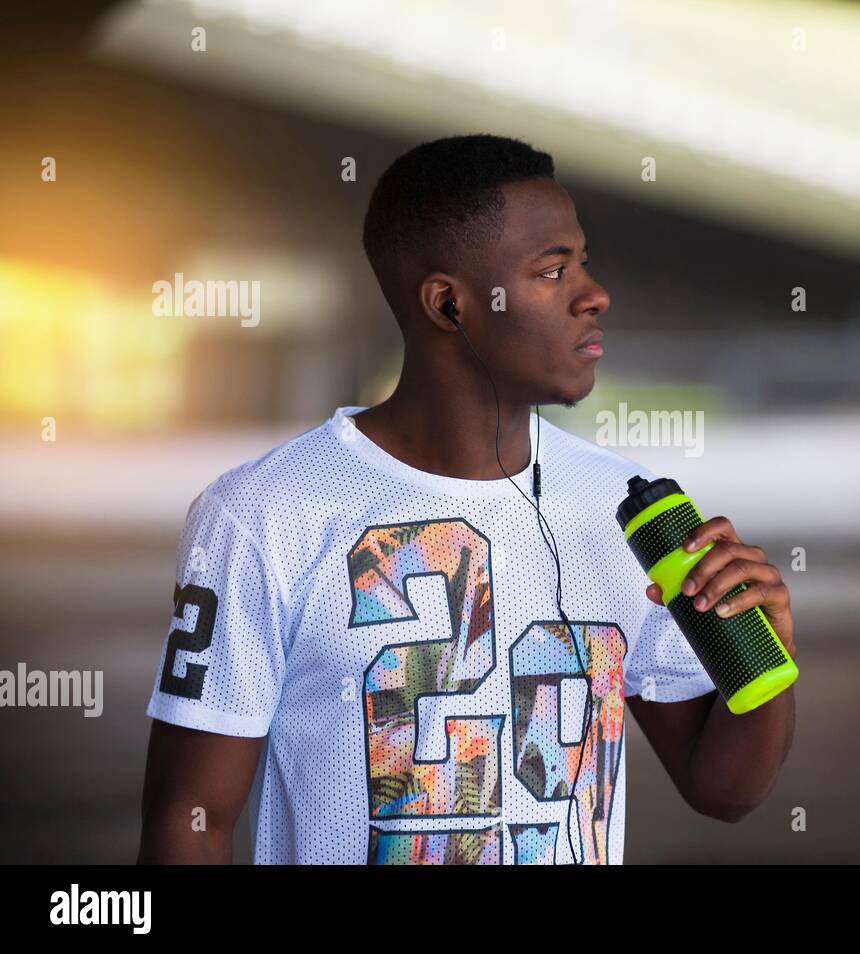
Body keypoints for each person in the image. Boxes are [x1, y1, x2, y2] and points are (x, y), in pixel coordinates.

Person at [137, 133, 796, 864]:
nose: (594, 294)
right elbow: (188, 821)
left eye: (584, 261)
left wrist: (764, 659)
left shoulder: (626, 509)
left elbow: (723, 789)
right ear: (450, 305)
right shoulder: (264, 513)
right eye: (552, 271)